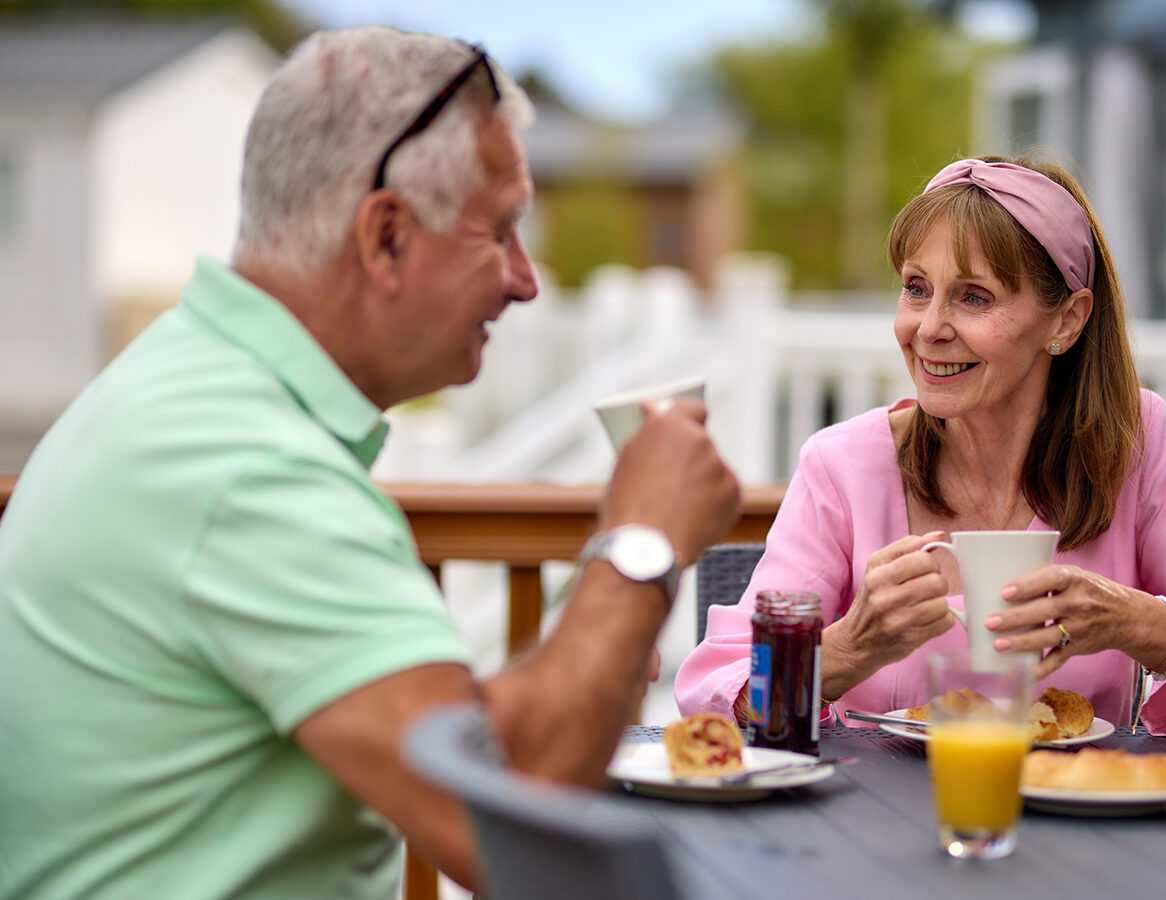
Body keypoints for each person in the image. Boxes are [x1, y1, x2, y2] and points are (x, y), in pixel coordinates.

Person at [0, 26, 739, 899]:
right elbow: (508, 820)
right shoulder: (249, 468)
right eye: (500, 231)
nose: (525, 279)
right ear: (386, 235)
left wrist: (599, 639)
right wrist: (644, 541)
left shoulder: (189, 394)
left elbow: (441, 732)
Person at [676, 155, 1166, 742]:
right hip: (873, 837)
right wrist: (850, 648)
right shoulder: (842, 464)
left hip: (1089, 833)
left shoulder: (1135, 443)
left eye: (973, 297)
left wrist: (1141, 625)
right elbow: (717, 698)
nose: (928, 329)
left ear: (1066, 320)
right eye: (916, 288)